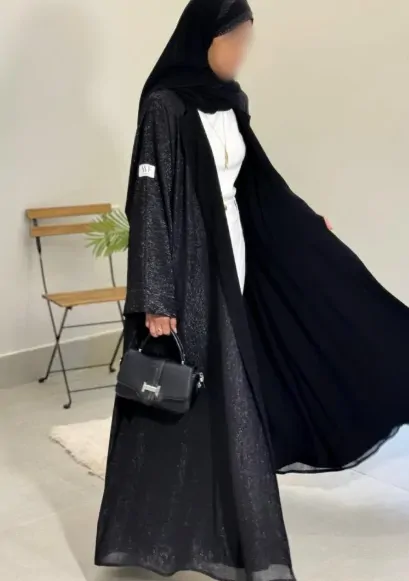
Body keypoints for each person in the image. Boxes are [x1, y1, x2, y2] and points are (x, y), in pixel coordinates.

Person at [96, 0, 409, 577]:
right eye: (235, 41)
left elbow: (257, 179)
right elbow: (149, 202)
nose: (242, 53)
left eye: (248, 42)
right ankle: (197, 532)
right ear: (207, 37)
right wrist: (155, 297)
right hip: (188, 269)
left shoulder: (232, 101)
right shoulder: (165, 105)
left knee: (227, 385)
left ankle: (221, 518)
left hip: (234, 256)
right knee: (193, 393)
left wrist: (305, 224)